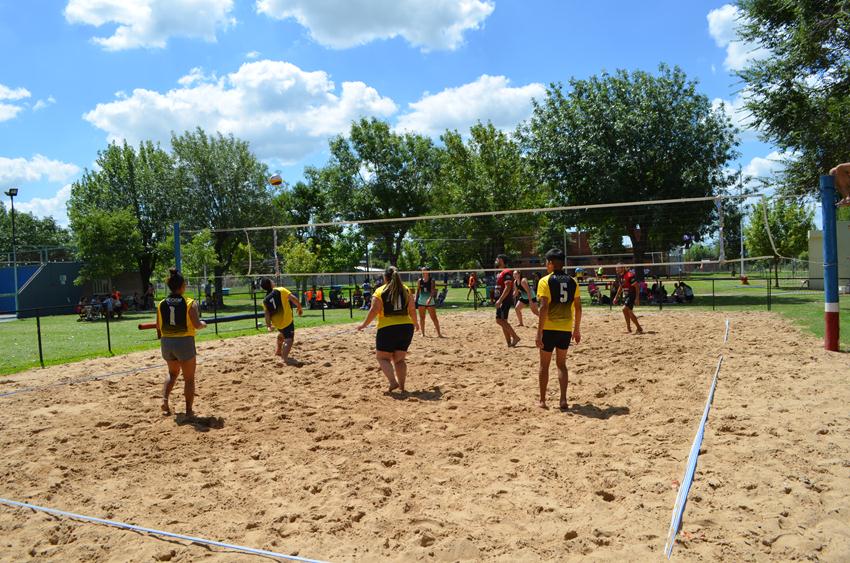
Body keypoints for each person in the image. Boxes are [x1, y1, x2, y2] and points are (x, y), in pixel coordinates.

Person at [358, 266, 420, 393]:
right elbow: (412, 309)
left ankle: (393, 382)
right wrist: (416, 323)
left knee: (382, 358)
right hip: (406, 327)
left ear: (385, 278)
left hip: (387, 328)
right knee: (399, 360)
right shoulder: (406, 289)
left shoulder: (380, 291)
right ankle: (402, 387)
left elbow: (374, 310)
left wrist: (364, 325)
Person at [535, 249, 582, 410]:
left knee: (544, 365)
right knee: (561, 365)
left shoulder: (544, 281)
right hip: (565, 329)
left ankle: (542, 401)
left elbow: (543, 308)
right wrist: (576, 330)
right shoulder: (573, 281)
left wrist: (539, 332)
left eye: (546, 262)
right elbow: (578, 308)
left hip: (549, 328)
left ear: (550, 263)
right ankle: (563, 400)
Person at [157, 268, 207, 417]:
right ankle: (189, 411)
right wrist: (203, 324)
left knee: (172, 374)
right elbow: (197, 324)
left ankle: (164, 401)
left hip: (166, 342)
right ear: (183, 285)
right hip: (184, 342)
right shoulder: (190, 303)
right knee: (189, 379)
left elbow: (158, 326)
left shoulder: (161, 303)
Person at [260, 278, 304, 366]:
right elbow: (293, 298)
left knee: (282, 334)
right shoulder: (281, 290)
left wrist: (268, 326)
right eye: (271, 280)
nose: (273, 281)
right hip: (287, 321)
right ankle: (285, 357)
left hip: (277, 324)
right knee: (289, 339)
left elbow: (267, 314)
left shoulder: (265, 300)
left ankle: (278, 351)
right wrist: (299, 307)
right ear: (270, 284)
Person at [494, 254, 520, 347]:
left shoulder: (506, 272)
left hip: (504, 300)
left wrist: (500, 300)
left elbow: (508, 287)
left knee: (499, 320)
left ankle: (515, 337)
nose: (496, 261)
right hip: (502, 299)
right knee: (503, 321)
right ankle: (509, 343)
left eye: (497, 259)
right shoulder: (500, 272)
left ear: (501, 260)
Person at [613, 265, 643, 334]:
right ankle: (633, 328)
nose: (616, 269)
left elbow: (637, 287)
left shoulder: (629, 275)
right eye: (616, 268)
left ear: (623, 268)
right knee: (627, 311)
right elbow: (621, 287)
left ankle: (635, 328)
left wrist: (637, 298)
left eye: (618, 268)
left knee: (624, 309)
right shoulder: (620, 276)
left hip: (632, 294)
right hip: (626, 295)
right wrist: (616, 297)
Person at [415, 267, 443, 338]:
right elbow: (418, 290)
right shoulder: (419, 280)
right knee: (422, 318)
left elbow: (433, 291)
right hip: (421, 301)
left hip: (430, 302)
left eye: (424, 271)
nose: (423, 272)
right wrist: (415, 299)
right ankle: (423, 333)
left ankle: (439, 334)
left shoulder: (432, 280)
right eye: (422, 271)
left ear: (428, 272)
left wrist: (430, 299)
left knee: (434, 318)